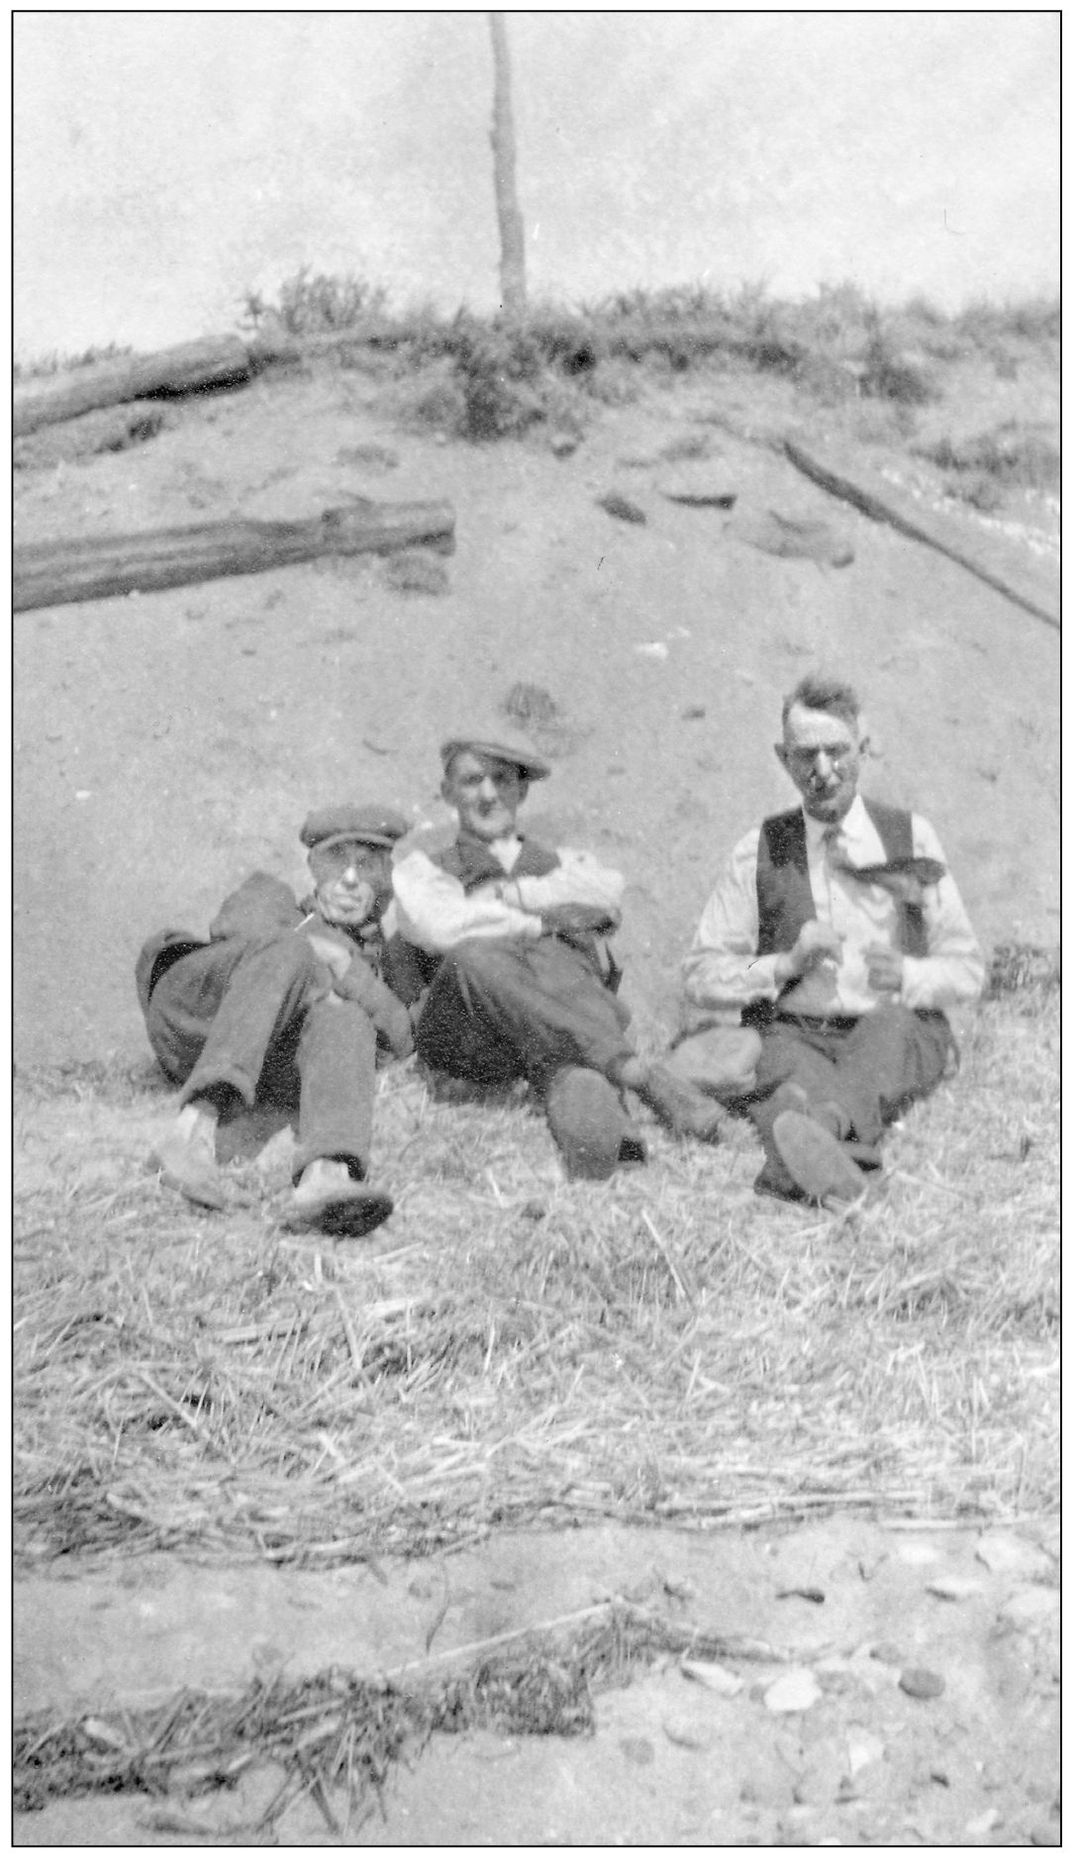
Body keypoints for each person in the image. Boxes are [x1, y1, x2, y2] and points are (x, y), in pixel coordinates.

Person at [677, 674, 985, 1204]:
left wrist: (911, 975)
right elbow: (701, 972)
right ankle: (840, 1160)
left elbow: (967, 969)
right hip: (797, 1034)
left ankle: (811, 1136)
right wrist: (781, 965)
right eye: (806, 756)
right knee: (789, 1073)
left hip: (892, 1027)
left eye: (837, 752)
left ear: (863, 749)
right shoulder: (759, 849)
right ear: (783, 758)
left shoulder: (912, 837)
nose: (823, 771)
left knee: (880, 1040)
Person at [387, 729, 723, 1178]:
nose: (488, 794)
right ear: (447, 792)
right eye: (472, 781)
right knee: (475, 956)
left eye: (502, 779)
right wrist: (544, 920)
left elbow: (606, 896)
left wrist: (508, 895)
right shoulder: (425, 869)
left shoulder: (566, 863)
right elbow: (441, 925)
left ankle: (607, 1134)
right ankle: (636, 1073)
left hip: (544, 1041)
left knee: (565, 1020)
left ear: (523, 790)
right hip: (470, 1039)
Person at [137, 804, 415, 1235]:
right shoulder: (272, 898)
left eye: (367, 866)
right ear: (315, 868)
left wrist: (347, 968)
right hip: (192, 1016)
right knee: (291, 952)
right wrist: (316, 949)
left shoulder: (376, 961)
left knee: (346, 1020)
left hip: (263, 1059)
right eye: (338, 861)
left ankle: (326, 1175)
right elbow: (238, 930)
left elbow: (402, 1038)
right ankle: (190, 1133)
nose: (350, 879)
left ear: (382, 882)